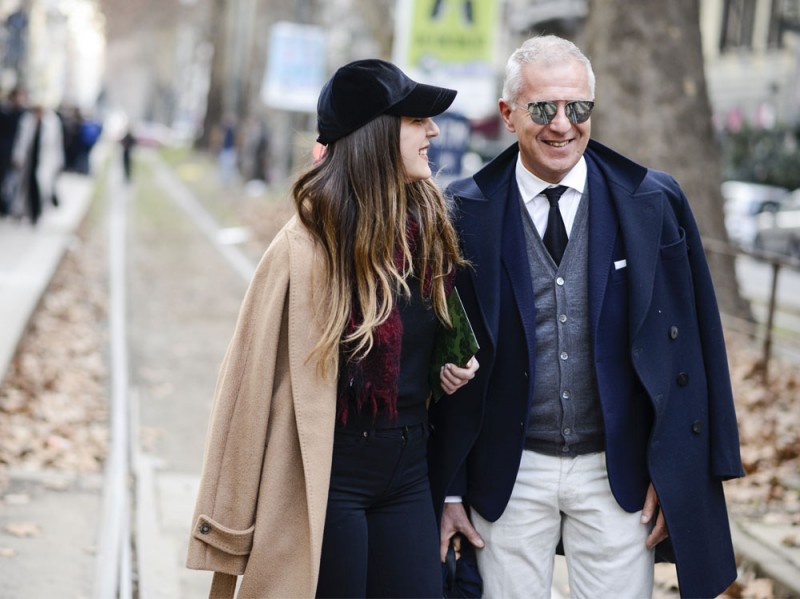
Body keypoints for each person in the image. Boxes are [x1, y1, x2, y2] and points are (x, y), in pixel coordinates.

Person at [427, 35, 744, 599]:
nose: (562, 125)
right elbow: (444, 358)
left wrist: (683, 477)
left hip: (617, 471)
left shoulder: (654, 202)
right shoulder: (462, 210)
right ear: (508, 114)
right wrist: (450, 490)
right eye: (543, 108)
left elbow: (694, 346)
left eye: (577, 108)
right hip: (507, 471)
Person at [186, 58, 479, 598]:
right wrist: (225, 528)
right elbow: (245, 393)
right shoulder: (305, 247)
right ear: (376, 135)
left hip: (410, 468)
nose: (433, 131)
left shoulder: (429, 226)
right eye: (417, 121)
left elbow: (425, 341)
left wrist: (446, 368)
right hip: (328, 477)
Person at [11, 103, 64, 224]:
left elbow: (57, 144)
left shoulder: (53, 122)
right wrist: (18, 156)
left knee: (41, 187)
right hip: (29, 161)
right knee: (26, 186)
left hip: (45, 160)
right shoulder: (27, 120)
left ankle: (37, 214)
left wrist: (59, 161)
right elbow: (21, 141)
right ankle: (24, 212)